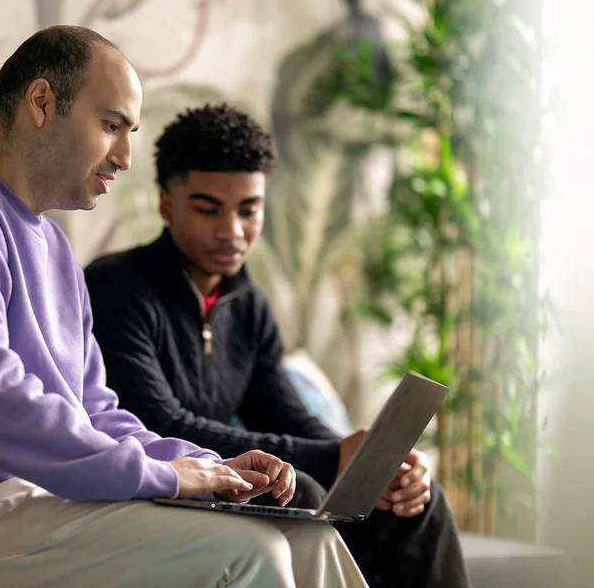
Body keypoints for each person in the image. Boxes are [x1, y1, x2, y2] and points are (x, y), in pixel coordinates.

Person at [0, 28, 368, 588]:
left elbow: (95, 413)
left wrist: (208, 465)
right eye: (111, 125)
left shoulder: (56, 249)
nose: (126, 157)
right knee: (251, 553)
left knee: (311, 538)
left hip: (30, 502)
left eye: (129, 132)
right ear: (41, 103)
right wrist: (165, 477)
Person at [85, 103, 472, 588]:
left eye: (249, 210)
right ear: (166, 203)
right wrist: (332, 458)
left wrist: (369, 463)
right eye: (208, 209)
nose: (232, 231)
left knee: (417, 502)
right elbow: (158, 424)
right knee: (299, 489)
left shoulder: (247, 305)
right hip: (149, 491)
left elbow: (287, 416)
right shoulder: (116, 288)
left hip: (227, 489)